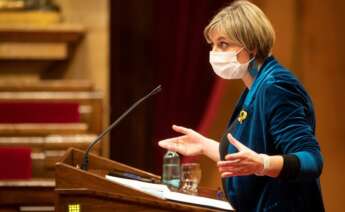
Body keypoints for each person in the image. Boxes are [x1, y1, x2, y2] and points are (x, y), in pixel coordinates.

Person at [158, 0, 324, 211]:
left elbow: (311, 160)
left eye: (223, 44)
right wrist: (204, 145)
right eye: (213, 45)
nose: (214, 52)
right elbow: (249, 157)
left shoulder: (276, 86)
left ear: (251, 46)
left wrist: (263, 164)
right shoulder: (256, 86)